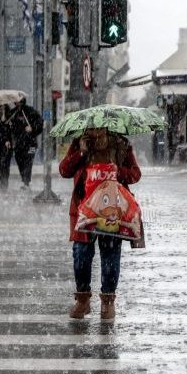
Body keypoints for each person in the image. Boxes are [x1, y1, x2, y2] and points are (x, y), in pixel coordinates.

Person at [59, 127, 142, 320]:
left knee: (110, 256)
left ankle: (107, 302)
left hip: (113, 212)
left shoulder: (121, 144)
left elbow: (135, 174)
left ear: (107, 127)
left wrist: (117, 171)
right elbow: (64, 170)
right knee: (81, 255)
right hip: (84, 212)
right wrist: (81, 152)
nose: (96, 132)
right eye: (92, 128)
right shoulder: (80, 142)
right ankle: (83, 300)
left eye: (100, 128)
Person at [8, 97, 43, 189]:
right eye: (16, 102)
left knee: (28, 161)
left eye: (20, 101)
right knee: (20, 161)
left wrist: (32, 128)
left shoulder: (30, 111)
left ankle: (26, 182)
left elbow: (40, 124)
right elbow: (8, 128)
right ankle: (24, 179)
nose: (18, 103)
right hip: (18, 143)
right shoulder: (13, 113)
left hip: (31, 143)